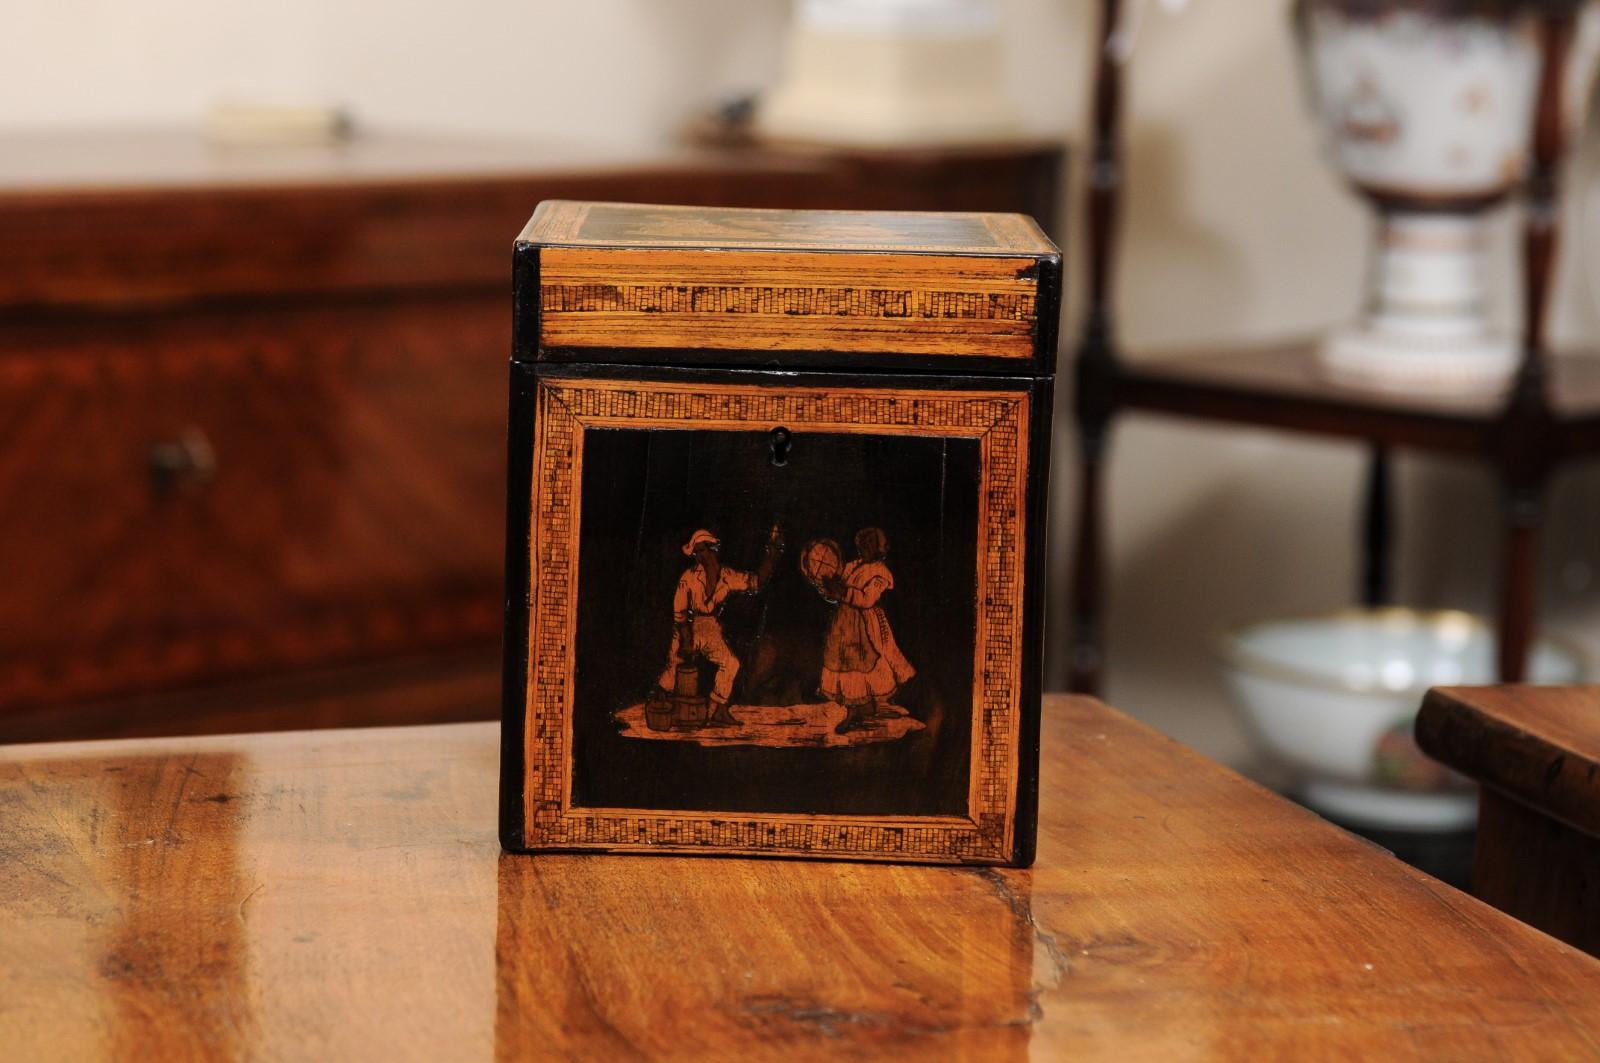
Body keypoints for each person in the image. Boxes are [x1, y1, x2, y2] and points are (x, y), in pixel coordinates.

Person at [656, 525, 782, 725]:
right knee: (676, 664)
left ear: (712, 549)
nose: (699, 556)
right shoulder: (688, 578)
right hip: (688, 626)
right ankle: (660, 704)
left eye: (701, 550)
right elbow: (680, 614)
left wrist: (771, 557)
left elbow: (755, 582)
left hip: (710, 627)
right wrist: (687, 640)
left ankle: (717, 709)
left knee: (731, 663)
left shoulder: (727, 575)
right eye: (696, 552)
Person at [818, 527, 915, 734]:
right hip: (843, 623)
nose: (865, 547)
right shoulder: (851, 566)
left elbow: (866, 599)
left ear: (880, 547)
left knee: (861, 663)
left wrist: (843, 591)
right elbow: (835, 594)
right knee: (842, 661)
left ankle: (854, 713)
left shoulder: (879, 572)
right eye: (863, 542)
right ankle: (863, 707)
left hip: (862, 624)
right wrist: (828, 585)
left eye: (871, 543)